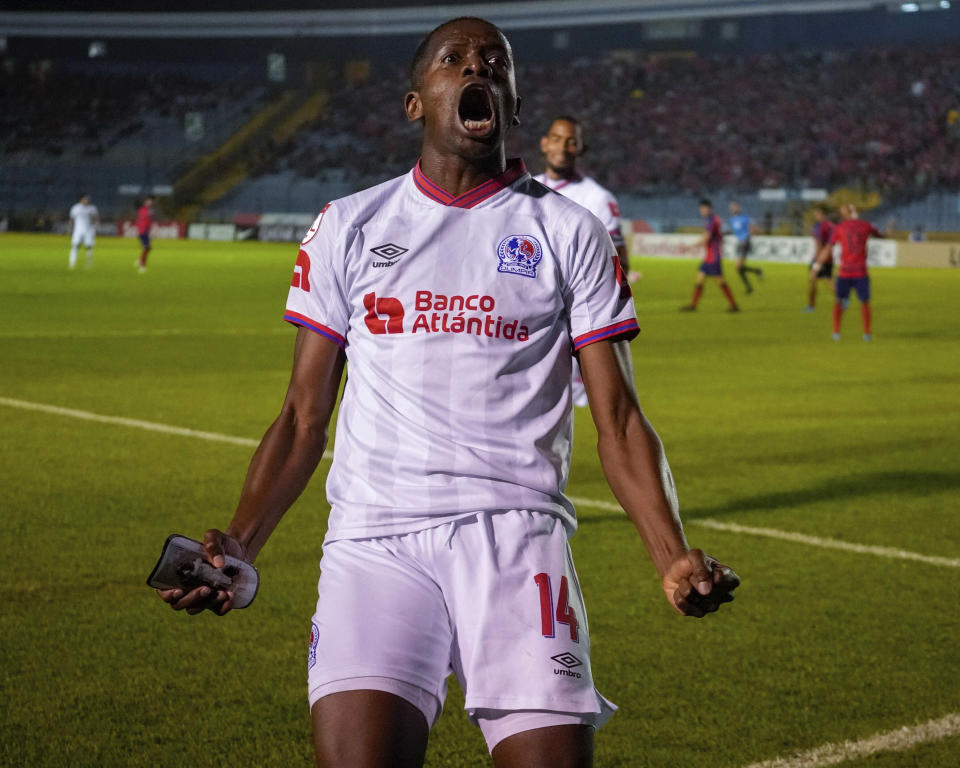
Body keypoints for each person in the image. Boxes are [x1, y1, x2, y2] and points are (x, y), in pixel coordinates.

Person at [156, 17, 739, 768]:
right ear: (416, 101)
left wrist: (670, 554)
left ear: (513, 102)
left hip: (519, 538)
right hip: (376, 542)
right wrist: (240, 543)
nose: (478, 67)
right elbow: (303, 418)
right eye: (455, 59)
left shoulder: (570, 232)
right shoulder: (349, 226)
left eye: (496, 61)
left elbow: (620, 422)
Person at [533, 115, 638, 407]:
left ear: (580, 148)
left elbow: (618, 261)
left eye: (571, 141)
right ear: (544, 143)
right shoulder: (526, 191)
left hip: (577, 325)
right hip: (532, 323)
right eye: (556, 138)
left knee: (586, 409)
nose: (563, 147)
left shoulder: (597, 199)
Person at [812, 204, 886, 341]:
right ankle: (867, 333)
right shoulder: (866, 225)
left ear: (846, 214)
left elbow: (828, 248)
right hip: (861, 272)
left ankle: (836, 332)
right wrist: (888, 231)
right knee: (864, 302)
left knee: (839, 301)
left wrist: (817, 265)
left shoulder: (839, 228)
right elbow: (881, 235)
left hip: (845, 272)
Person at [681, 198, 739, 312]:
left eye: (702, 209)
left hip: (713, 257)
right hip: (709, 256)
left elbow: (706, 238)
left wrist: (690, 247)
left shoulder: (712, 220)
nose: (701, 211)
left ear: (708, 208)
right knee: (700, 278)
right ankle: (693, 306)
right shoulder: (712, 219)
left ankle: (734, 305)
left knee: (720, 281)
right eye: (700, 209)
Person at [727, 201, 762, 293]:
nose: (734, 209)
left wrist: (746, 238)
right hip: (739, 243)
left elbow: (753, 229)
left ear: (739, 208)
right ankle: (757, 272)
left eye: (735, 207)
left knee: (738, 266)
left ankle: (750, 287)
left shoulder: (745, 218)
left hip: (745, 243)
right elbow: (735, 231)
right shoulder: (732, 220)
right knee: (739, 267)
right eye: (732, 208)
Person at [806, 204, 835, 312]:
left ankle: (811, 306)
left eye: (817, 213)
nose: (815, 215)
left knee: (813, 278)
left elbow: (818, 244)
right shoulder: (832, 225)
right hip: (829, 256)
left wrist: (816, 259)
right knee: (827, 279)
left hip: (820, 257)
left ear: (822, 214)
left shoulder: (818, 226)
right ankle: (842, 300)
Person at [68, 194, 99, 269]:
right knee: (75, 246)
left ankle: (89, 264)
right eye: (85, 199)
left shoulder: (92, 208)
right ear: (81, 199)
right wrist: (70, 229)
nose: (86, 201)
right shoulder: (75, 208)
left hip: (88, 230)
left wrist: (95, 228)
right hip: (78, 230)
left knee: (89, 247)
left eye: (87, 200)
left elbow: (96, 219)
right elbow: (72, 220)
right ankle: (72, 263)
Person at [135, 196, 154, 273]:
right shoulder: (143, 210)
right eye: (148, 201)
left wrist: (150, 231)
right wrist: (142, 231)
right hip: (143, 231)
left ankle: (140, 260)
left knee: (148, 248)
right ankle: (142, 266)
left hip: (146, 231)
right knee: (147, 247)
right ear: (145, 202)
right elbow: (141, 221)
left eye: (150, 201)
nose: (150, 202)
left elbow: (149, 221)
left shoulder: (148, 210)